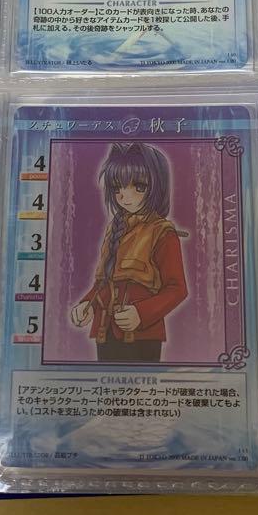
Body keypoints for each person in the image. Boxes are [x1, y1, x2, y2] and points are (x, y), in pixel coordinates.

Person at [70, 142, 188, 363]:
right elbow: (104, 282)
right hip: (105, 330)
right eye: (117, 188)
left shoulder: (162, 232)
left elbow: (177, 289)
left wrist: (141, 313)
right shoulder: (114, 229)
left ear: (157, 185)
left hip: (141, 334)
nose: (124, 196)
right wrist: (88, 304)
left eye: (138, 187)